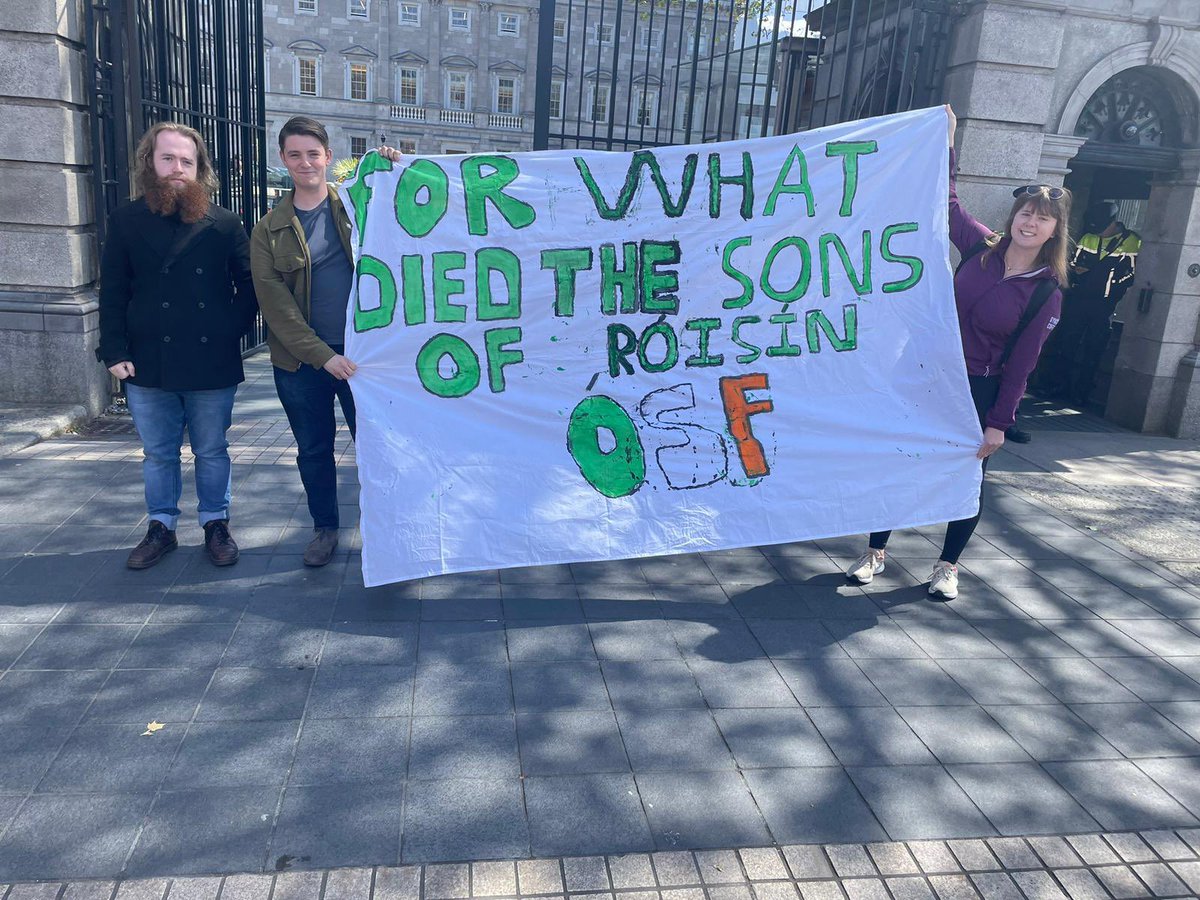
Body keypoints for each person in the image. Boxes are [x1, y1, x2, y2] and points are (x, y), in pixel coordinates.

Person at [845, 106, 1071, 600]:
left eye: (1043, 218)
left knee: (966, 478)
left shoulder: (1044, 291)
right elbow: (945, 203)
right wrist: (947, 139)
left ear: (1055, 230)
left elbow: (1023, 363)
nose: (1031, 222)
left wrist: (1000, 421)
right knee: (898, 460)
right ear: (1014, 217)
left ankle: (946, 566)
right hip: (925, 373)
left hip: (978, 386)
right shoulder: (979, 248)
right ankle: (875, 551)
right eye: (1026, 213)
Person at [98, 122, 257, 569]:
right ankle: (161, 526)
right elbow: (112, 290)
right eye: (168, 158)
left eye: (187, 161)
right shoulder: (126, 220)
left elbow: (249, 287)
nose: (177, 169)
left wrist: (230, 333)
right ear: (149, 161)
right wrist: (114, 349)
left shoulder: (224, 222)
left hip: (211, 359)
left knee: (211, 450)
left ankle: (216, 523)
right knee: (159, 452)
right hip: (147, 360)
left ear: (199, 168)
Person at [250, 117, 402, 566]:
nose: (304, 162)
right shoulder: (268, 229)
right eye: (294, 154)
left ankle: (387, 528)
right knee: (313, 450)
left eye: (313, 153)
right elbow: (275, 305)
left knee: (376, 448)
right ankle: (324, 529)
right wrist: (324, 356)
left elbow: (405, 220)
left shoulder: (354, 207)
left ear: (328, 157)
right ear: (282, 159)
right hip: (302, 365)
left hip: (366, 360)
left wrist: (395, 166)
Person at [1037, 200, 1140, 406]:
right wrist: (1078, 273)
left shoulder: (1132, 242)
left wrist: (1108, 285)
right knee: (1067, 344)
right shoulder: (1088, 237)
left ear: (1114, 223)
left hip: (1105, 305)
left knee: (1094, 349)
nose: (1098, 233)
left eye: (1102, 228)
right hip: (1079, 300)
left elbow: (1130, 274)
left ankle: (1082, 393)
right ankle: (1058, 386)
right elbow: (1074, 263)